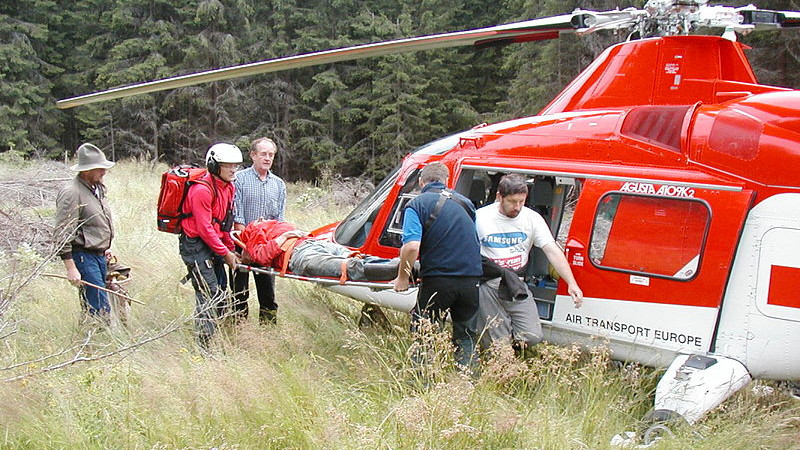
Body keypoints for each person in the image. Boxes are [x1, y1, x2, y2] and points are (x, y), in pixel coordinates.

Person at [475, 173, 583, 349]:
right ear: (499, 197)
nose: (517, 207)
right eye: (512, 202)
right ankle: (502, 361)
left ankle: (511, 348)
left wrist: (571, 283)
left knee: (532, 336)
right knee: (498, 344)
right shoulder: (480, 217)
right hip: (488, 283)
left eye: (521, 201)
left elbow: (552, 250)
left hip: (517, 282)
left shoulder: (531, 218)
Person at [393, 162, 482, 370]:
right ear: (447, 181)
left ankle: (422, 387)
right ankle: (468, 382)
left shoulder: (417, 204)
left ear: (422, 182)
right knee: (466, 336)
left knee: (426, 335)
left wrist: (403, 277)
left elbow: (412, 246)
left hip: (439, 279)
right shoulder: (466, 203)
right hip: (471, 279)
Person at [179, 143, 242, 349]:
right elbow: (204, 227)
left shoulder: (229, 187)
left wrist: (231, 248)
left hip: (213, 243)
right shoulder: (201, 190)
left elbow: (224, 224)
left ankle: (217, 334)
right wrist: (225, 252)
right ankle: (204, 345)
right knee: (209, 292)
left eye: (236, 166)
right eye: (228, 166)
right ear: (215, 165)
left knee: (222, 288)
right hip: (195, 245)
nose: (233, 170)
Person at [54, 143, 116, 320]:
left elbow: (94, 224)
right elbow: (63, 232)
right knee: (98, 307)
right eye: (99, 169)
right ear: (86, 170)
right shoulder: (72, 192)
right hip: (83, 257)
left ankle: (94, 338)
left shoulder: (96, 189)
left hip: (98, 255)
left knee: (97, 303)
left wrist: (103, 247)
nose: (104, 172)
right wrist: (71, 268)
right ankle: (98, 341)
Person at [231, 137, 287, 324]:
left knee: (268, 295)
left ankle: (268, 331)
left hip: (267, 249)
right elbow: (237, 216)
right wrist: (246, 248)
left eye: (271, 154)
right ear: (253, 155)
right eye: (263, 154)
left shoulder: (278, 184)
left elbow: (279, 221)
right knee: (239, 293)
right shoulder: (239, 179)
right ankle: (238, 328)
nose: (267, 158)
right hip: (242, 245)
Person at [237, 219, 398, 281]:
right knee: (345, 265)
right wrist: (284, 236)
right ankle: (392, 269)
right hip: (299, 254)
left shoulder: (263, 225)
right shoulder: (252, 233)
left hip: (311, 244)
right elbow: (261, 257)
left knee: (354, 256)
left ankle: (399, 266)